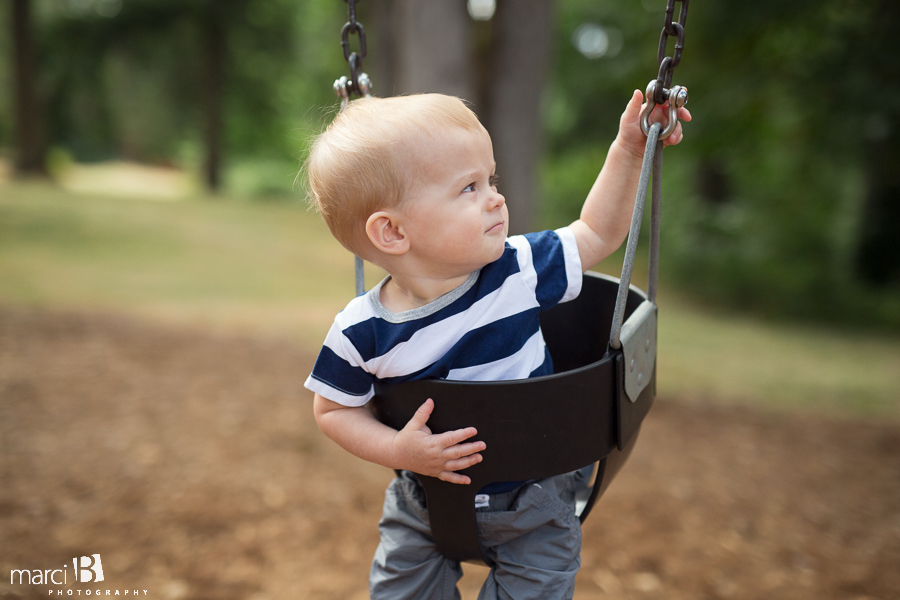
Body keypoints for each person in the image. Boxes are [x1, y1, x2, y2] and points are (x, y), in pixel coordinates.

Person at [303, 91, 689, 600]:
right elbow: (332, 411)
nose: (496, 198)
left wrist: (629, 149)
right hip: (423, 502)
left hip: (535, 497)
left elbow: (596, 232)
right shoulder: (360, 330)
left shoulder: (517, 269)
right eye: (469, 187)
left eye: (492, 180)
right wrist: (398, 449)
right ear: (393, 232)